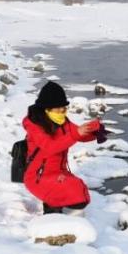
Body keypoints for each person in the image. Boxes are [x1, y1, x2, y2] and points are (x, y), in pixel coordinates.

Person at [22, 81, 105, 214]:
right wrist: (76, 134)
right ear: (46, 108)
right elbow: (50, 147)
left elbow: (77, 133)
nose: (63, 111)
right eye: (59, 108)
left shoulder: (61, 120)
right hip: (37, 176)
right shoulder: (35, 125)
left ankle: (53, 205)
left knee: (80, 193)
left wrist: (94, 132)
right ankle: (52, 218)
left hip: (58, 172)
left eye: (64, 108)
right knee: (70, 193)